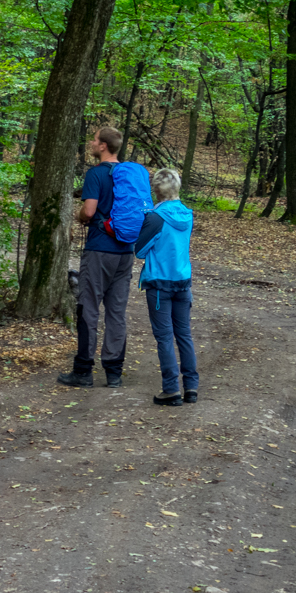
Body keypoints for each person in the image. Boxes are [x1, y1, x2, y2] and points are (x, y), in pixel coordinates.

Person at [57, 127, 136, 389]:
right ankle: (114, 372)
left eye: (94, 139)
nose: (91, 142)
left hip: (100, 249)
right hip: (125, 250)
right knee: (116, 311)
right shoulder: (129, 175)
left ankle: (83, 370)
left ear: (103, 146)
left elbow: (89, 211)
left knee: (88, 307)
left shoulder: (97, 174)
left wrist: (80, 216)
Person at [135, 168, 198, 406]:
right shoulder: (188, 215)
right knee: (184, 335)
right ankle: (191, 387)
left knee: (164, 338)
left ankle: (171, 389)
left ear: (156, 190)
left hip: (160, 283)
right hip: (183, 282)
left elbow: (139, 251)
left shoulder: (155, 217)